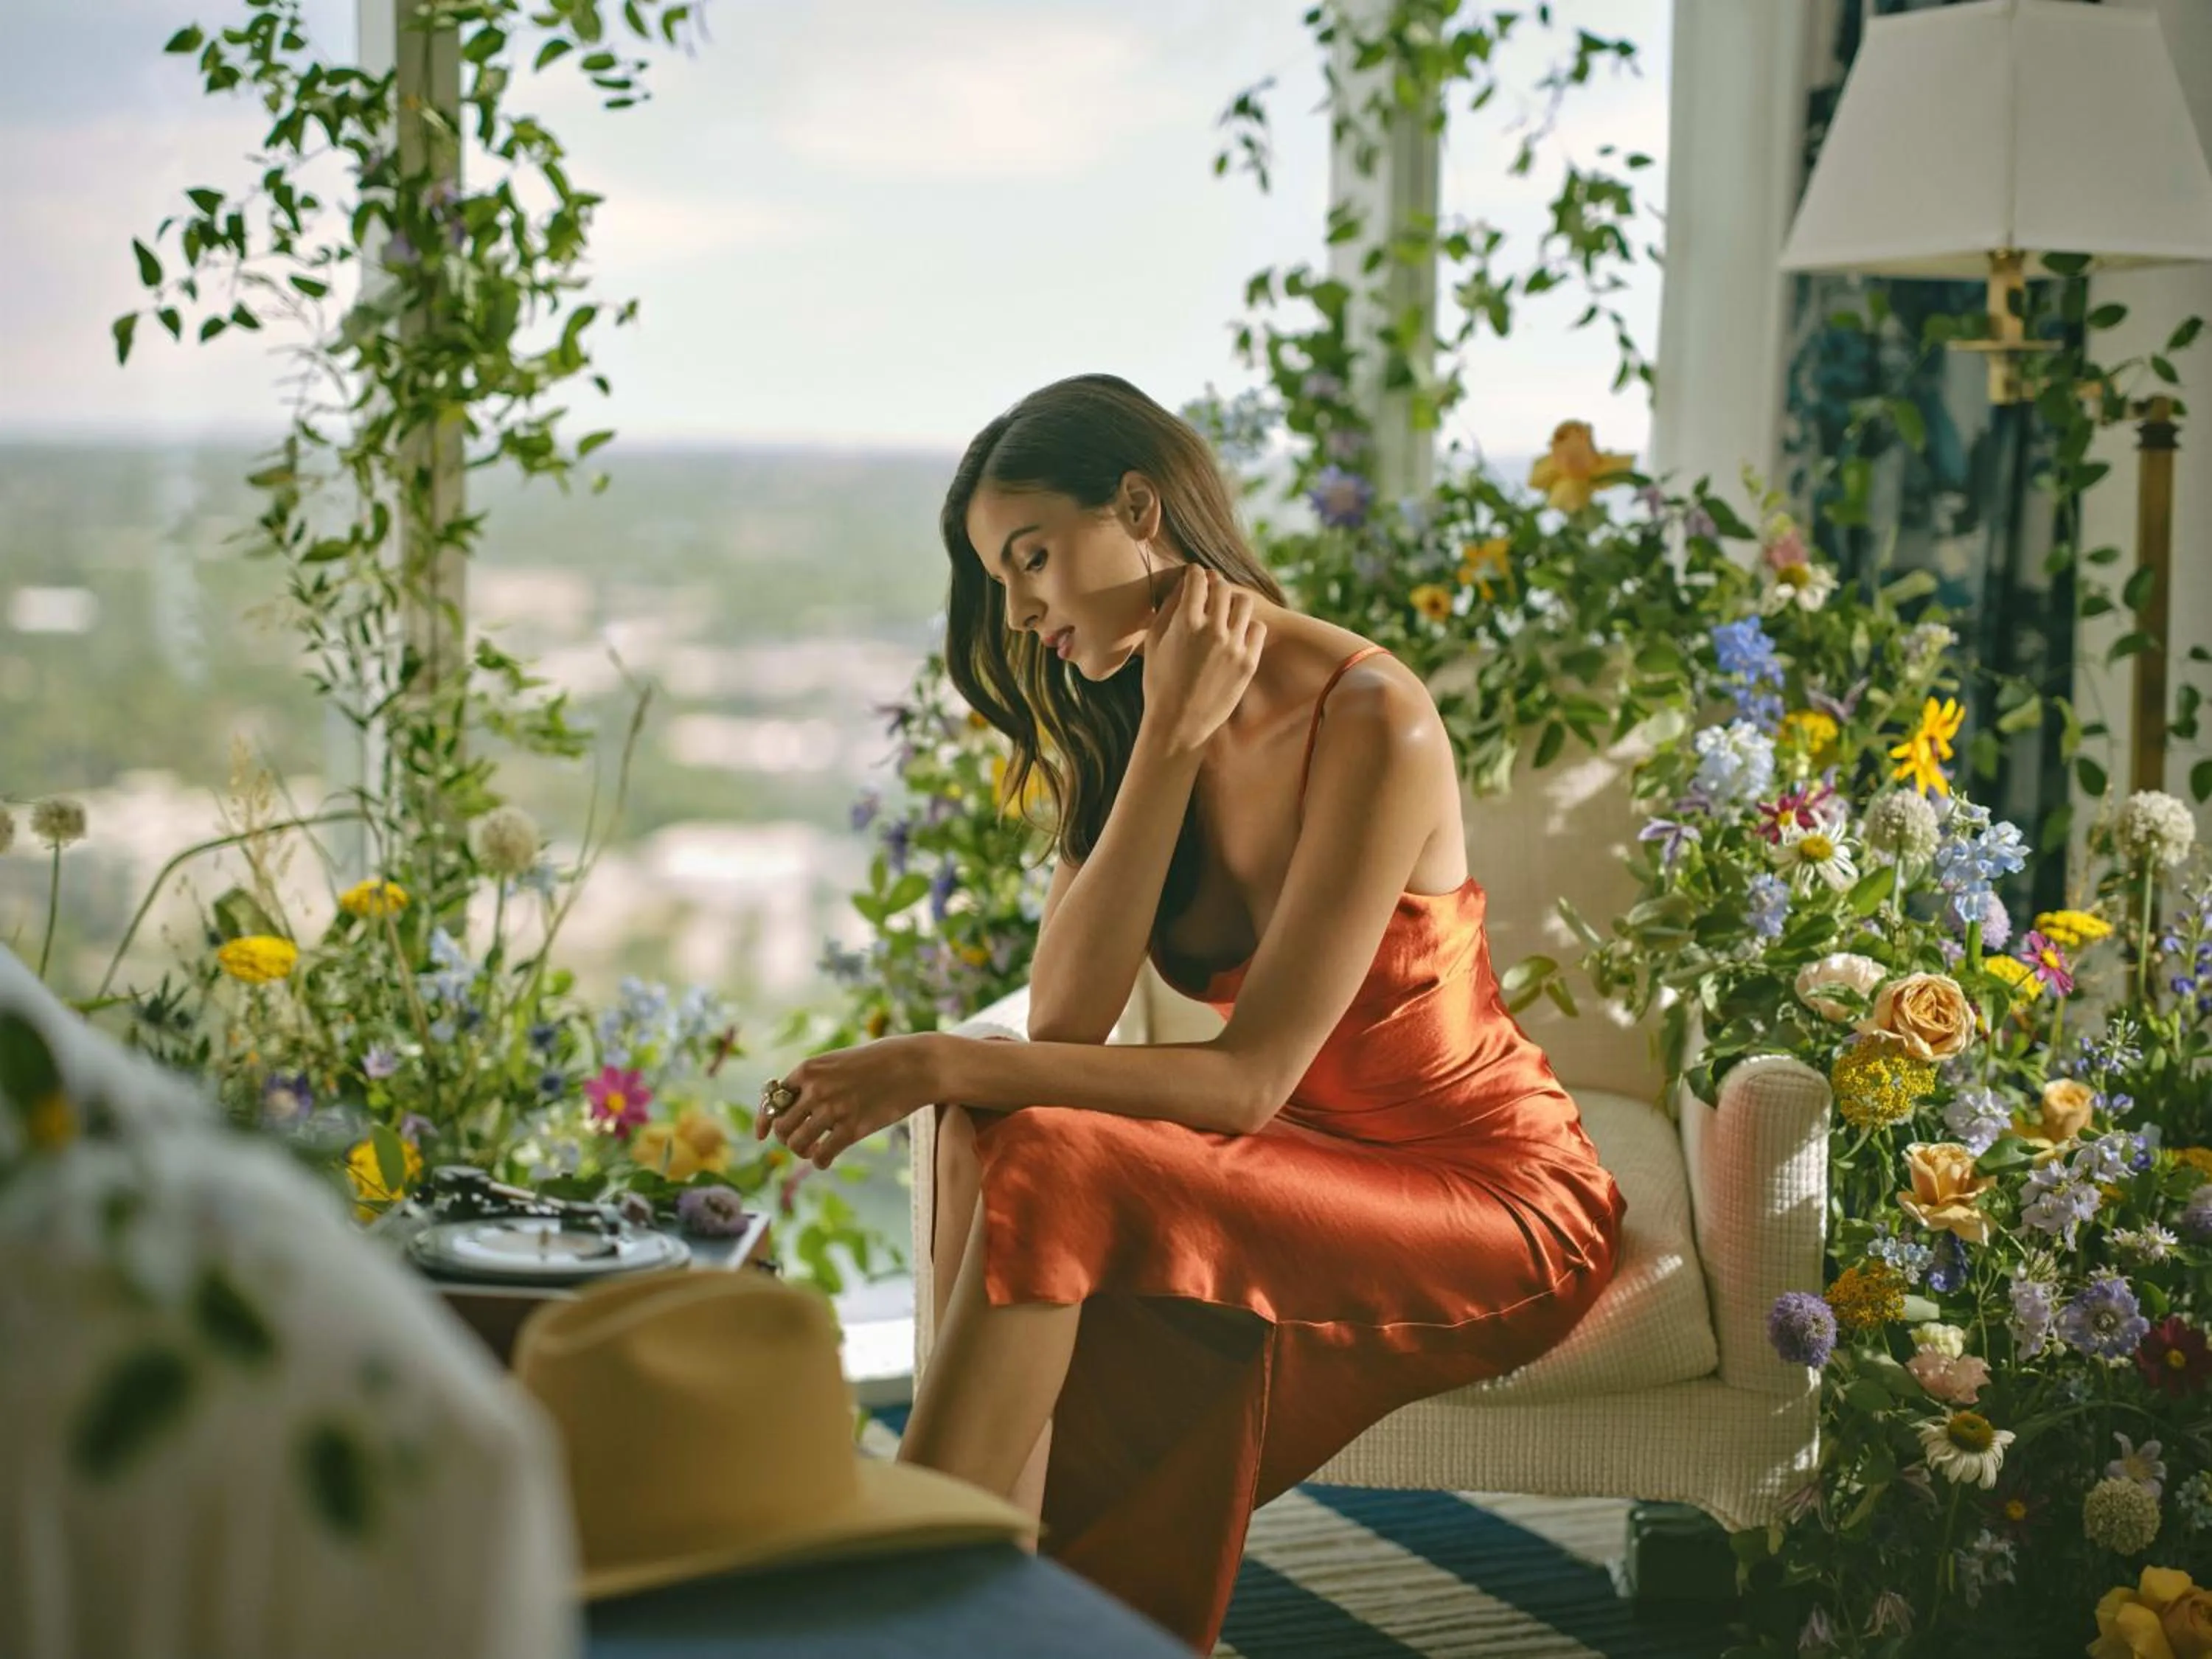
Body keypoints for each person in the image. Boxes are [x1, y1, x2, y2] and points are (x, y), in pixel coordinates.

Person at [754, 372, 1628, 1652]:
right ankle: (970, 1597)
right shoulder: (1129, 717)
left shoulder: (1373, 717)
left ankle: (897, 1605)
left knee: (1015, 1116)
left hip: (1484, 1199)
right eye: (1000, 578)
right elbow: (1063, 1022)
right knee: (981, 1121)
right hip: (1296, 1177)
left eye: (1032, 559)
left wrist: (941, 1052)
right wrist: (1164, 740)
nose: (1019, 611)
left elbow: (1247, 1082)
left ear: (1139, 507)